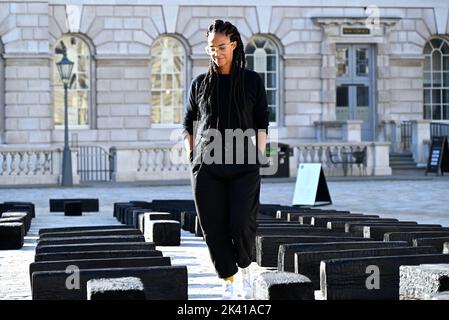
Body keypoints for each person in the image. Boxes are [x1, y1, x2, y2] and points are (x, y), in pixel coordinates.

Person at [182, 19, 269, 300]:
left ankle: (244, 265)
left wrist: (261, 157)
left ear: (233, 45)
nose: (216, 53)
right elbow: (188, 122)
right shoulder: (199, 84)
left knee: (241, 222)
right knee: (213, 227)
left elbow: (262, 125)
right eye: (211, 48)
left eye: (221, 47)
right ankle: (228, 278)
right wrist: (192, 156)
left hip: (244, 164)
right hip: (207, 167)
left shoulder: (253, 81)